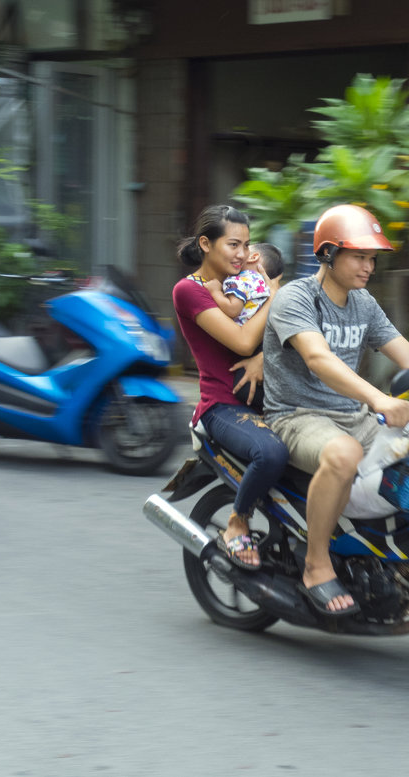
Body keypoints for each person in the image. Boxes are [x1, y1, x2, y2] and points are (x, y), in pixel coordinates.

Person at [263, 203, 409, 616]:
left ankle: (394, 553)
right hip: (296, 415)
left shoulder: (363, 303)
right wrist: (378, 398)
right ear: (327, 254)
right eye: (359, 256)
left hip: (353, 416)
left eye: (372, 258)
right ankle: (316, 563)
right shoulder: (296, 299)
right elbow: (318, 359)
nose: (368, 267)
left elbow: (408, 353)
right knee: (344, 455)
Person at [173, 205, 289, 570]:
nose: (241, 254)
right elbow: (240, 343)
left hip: (272, 399)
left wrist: (262, 360)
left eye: (247, 245)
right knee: (271, 454)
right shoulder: (190, 291)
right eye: (233, 245)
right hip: (223, 405)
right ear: (206, 244)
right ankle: (238, 522)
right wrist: (273, 295)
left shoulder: (247, 284)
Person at [205, 242, 284, 326]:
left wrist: (215, 291)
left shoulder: (239, 280)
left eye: (245, 248)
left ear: (253, 257)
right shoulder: (265, 287)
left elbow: (232, 310)